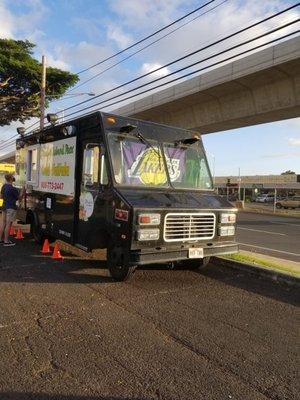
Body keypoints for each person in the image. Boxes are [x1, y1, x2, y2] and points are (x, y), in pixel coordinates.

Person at [0, 174, 24, 246]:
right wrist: (23, 190)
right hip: (11, 207)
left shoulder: (4, 186)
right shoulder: (13, 188)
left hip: (4, 206)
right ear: (11, 178)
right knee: (8, 224)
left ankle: (0, 239)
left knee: (3, 223)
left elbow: (1, 196)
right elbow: (19, 198)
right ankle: (6, 241)